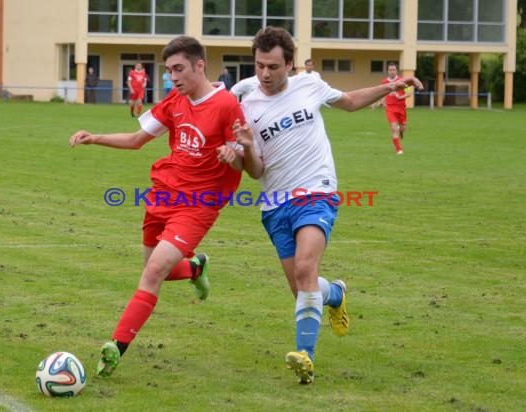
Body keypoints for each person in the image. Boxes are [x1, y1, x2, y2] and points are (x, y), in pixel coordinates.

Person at [227, 27, 423, 384]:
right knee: (304, 288)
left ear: (290, 64)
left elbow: (347, 101)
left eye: (273, 66)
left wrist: (390, 87)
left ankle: (306, 358)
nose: (265, 74)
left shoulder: (309, 85)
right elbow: (255, 172)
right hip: (274, 204)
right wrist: (243, 149)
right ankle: (335, 293)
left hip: (317, 191)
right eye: (259, 66)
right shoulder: (244, 101)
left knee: (305, 269)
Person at [69, 36, 245, 378]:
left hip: (199, 204)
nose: (173, 77)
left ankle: (116, 347)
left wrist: (233, 155)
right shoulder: (175, 100)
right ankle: (195, 269)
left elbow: (244, 162)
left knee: (151, 274)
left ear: (199, 65)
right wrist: (96, 138)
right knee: (154, 267)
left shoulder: (227, 105)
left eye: (178, 69)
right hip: (164, 195)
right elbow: (137, 141)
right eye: (169, 71)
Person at [380, 62, 413, 155]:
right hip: (390, 109)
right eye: (390, 70)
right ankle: (399, 149)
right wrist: (382, 101)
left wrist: (399, 97)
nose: (392, 72)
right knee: (394, 129)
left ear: (396, 71)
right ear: (388, 71)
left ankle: (400, 129)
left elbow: (409, 93)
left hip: (401, 109)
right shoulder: (384, 82)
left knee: (403, 129)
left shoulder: (402, 81)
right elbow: (382, 93)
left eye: (394, 70)